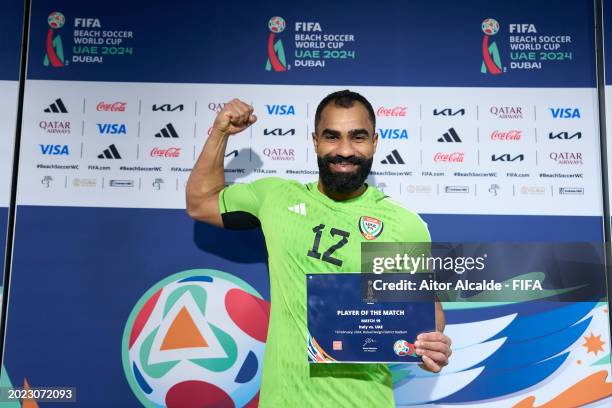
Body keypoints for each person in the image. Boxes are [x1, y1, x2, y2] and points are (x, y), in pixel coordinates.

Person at [186, 90, 452, 407]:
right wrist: (220, 133)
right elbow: (200, 203)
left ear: (375, 143)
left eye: (358, 137)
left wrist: (429, 345)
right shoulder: (276, 198)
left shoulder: (403, 225)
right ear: (315, 141)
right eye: (331, 137)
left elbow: (427, 314)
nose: (344, 150)